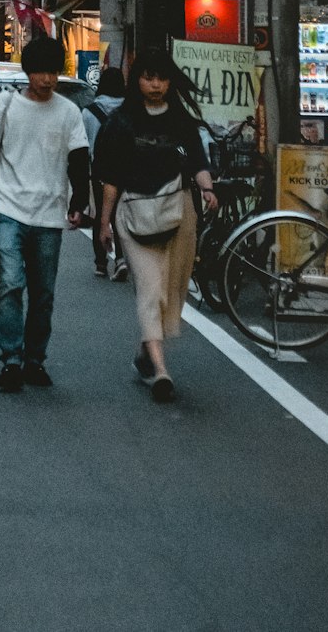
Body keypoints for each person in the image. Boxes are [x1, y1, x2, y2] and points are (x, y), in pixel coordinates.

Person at [94, 46, 217, 403]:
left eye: (162, 78)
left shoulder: (180, 119)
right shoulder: (121, 122)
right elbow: (111, 178)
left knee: (172, 291)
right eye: (149, 78)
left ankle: (147, 354)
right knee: (149, 289)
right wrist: (104, 223)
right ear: (137, 81)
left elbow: (198, 160)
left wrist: (207, 188)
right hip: (133, 214)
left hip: (180, 212)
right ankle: (162, 372)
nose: (156, 85)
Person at [0, 35, 89, 393]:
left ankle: (36, 358)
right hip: (8, 209)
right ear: (28, 73)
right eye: (40, 72)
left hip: (50, 215)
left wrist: (78, 203)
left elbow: (80, 160)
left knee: (43, 293)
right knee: (10, 285)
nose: (47, 80)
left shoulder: (68, 112)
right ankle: (12, 360)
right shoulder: (6, 106)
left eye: (52, 72)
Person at [82, 66, 127, 280]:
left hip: (100, 169)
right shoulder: (130, 110)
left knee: (100, 214)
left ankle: (101, 262)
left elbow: (86, 143)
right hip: (127, 170)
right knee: (122, 215)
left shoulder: (90, 112)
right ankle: (121, 259)